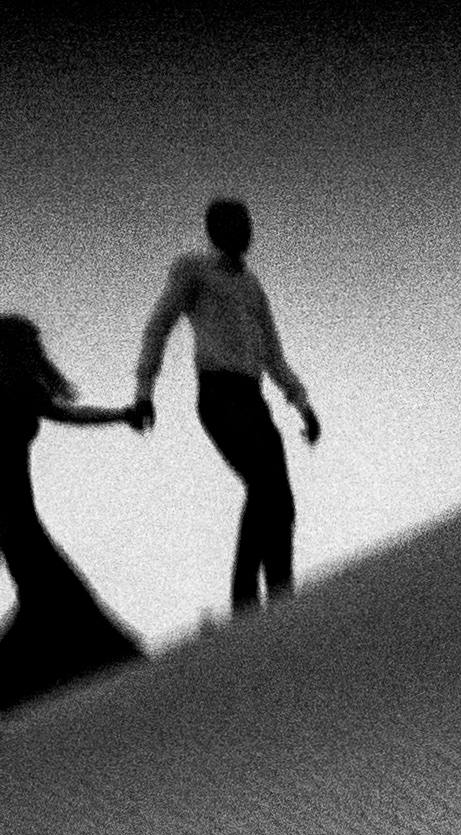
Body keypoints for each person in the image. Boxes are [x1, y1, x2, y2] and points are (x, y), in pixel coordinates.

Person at [128, 197, 321, 617]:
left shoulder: (253, 288)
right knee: (266, 484)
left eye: (247, 223)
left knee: (278, 498)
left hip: (253, 398)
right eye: (235, 224)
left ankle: (280, 596)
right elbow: (159, 324)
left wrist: (302, 404)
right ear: (215, 231)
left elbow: (272, 353)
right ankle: (247, 603)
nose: (245, 231)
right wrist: (145, 390)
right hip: (218, 395)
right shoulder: (194, 270)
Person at [0, 312, 146, 717]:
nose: (30, 354)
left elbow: (71, 415)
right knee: (51, 586)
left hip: (23, 507)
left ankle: (6, 680)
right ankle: (8, 680)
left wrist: (121, 415)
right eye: (22, 347)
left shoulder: (27, 392)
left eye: (30, 348)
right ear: (1, 350)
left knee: (44, 592)